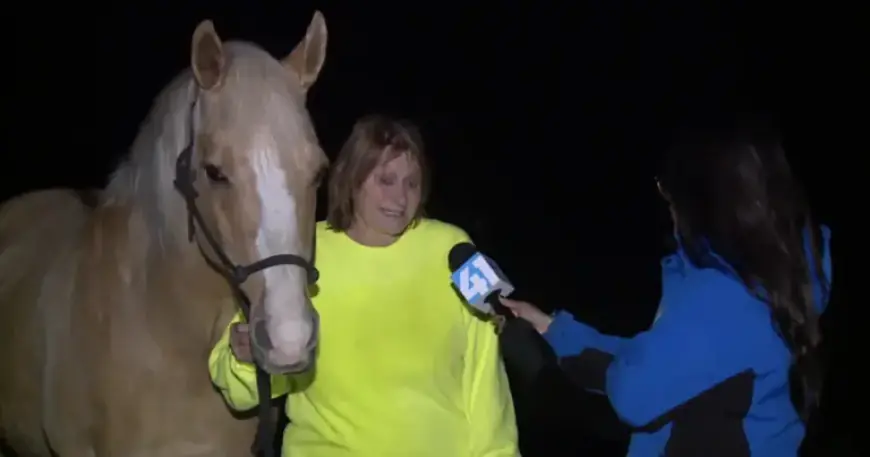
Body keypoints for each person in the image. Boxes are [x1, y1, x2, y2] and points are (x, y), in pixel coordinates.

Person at [501, 127, 832, 457]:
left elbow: (634, 391)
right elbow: (662, 363)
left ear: (703, 200)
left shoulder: (722, 297)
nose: (667, 203)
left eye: (668, 189)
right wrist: (551, 327)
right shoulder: (777, 276)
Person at [208, 114, 519, 457]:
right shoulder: (302, 254)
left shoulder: (454, 249)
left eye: (411, 183)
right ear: (352, 180)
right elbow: (240, 390)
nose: (400, 198)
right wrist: (247, 360)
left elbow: (486, 379)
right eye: (386, 180)